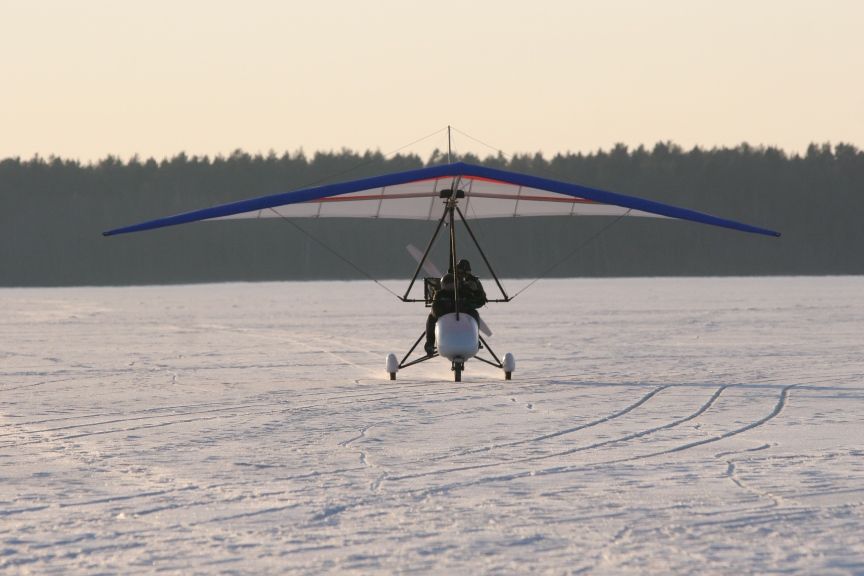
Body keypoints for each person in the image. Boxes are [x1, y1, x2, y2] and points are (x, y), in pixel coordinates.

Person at [423, 262, 487, 356]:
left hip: (463, 318)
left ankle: (475, 340)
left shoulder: (463, 291)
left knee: (474, 313)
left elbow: (479, 301)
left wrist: (476, 291)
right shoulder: (440, 294)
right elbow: (435, 309)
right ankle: (430, 343)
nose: (450, 286)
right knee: (431, 317)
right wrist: (442, 311)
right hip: (446, 319)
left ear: (457, 284)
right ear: (443, 285)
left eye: (452, 284)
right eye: (448, 284)